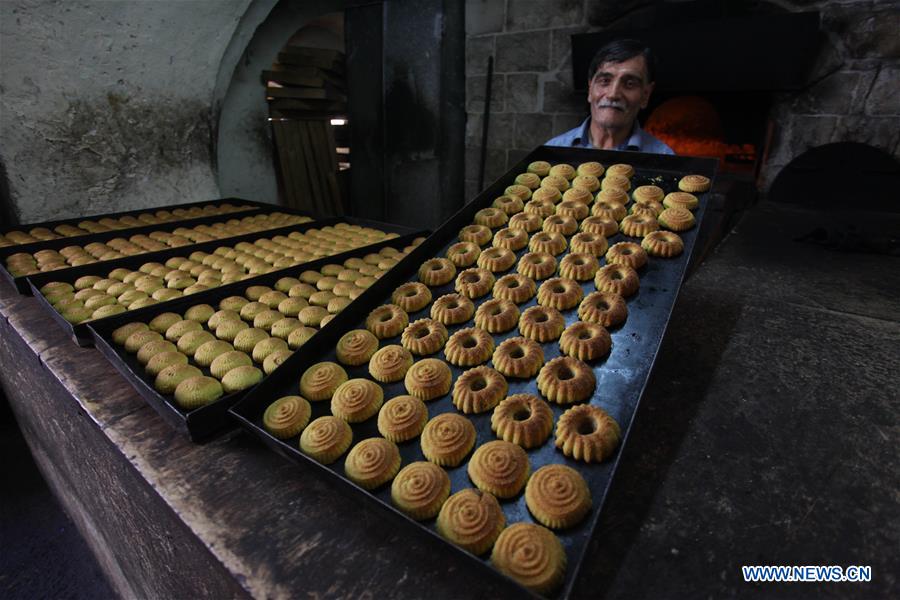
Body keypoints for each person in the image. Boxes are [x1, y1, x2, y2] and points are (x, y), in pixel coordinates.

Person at [546, 39, 673, 155]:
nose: (613, 94)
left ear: (646, 95)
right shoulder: (552, 150)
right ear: (590, 89)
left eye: (629, 84)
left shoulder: (664, 157)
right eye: (605, 81)